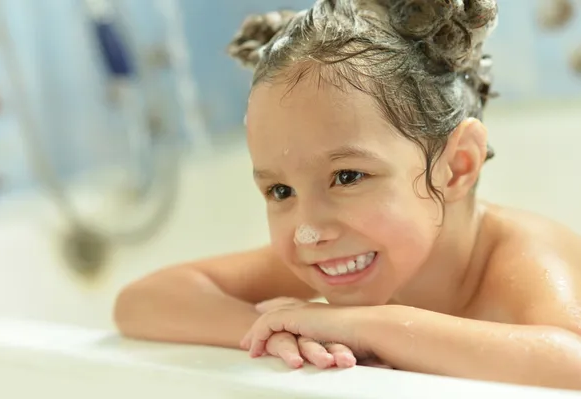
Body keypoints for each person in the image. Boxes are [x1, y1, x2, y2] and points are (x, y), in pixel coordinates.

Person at [113, 0, 581, 390]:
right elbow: (142, 301)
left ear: (456, 167)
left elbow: (570, 363)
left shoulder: (516, 255)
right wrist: (280, 330)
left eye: (348, 176)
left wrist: (365, 326)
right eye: (280, 190)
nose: (308, 229)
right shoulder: (340, 252)